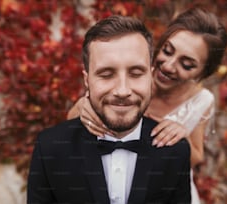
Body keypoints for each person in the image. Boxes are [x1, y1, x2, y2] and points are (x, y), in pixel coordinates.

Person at [67, 7, 227, 204]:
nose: (168, 66)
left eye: (186, 64)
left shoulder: (202, 101)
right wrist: (83, 105)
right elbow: (70, 128)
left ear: (203, 73)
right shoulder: (131, 78)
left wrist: (181, 136)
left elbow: (196, 156)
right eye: (167, 51)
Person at [27, 15, 191, 203]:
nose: (122, 90)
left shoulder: (175, 151)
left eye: (136, 74)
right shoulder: (49, 147)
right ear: (87, 80)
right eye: (106, 74)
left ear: (150, 77)